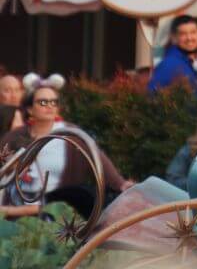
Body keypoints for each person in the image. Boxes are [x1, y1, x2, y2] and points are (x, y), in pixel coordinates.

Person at [0, 74, 132, 218]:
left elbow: (97, 157)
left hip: (58, 214)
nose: (49, 106)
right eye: (43, 102)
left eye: (54, 102)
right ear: (30, 109)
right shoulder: (14, 136)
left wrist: (120, 183)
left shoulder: (71, 134)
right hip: (17, 213)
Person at [147, 15, 197, 95]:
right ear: (174, 37)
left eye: (193, 32)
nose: (189, 38)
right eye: (183, 34)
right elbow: (152, 95)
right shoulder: (168, 64)